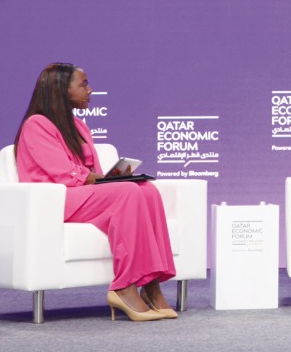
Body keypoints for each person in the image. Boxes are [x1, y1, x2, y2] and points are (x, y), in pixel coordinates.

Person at [14, 63, 177, 322]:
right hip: (56, 199)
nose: (90, 90)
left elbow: (94, 172)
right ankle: (123, 287)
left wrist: (115, 177)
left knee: (147, 190)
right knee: (127, 192)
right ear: (61, 90)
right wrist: (107, 181)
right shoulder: (36, 124)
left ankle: (152, 284)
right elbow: (61, 173)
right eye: (84, 84)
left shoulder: (80, 127)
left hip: (82, 195)